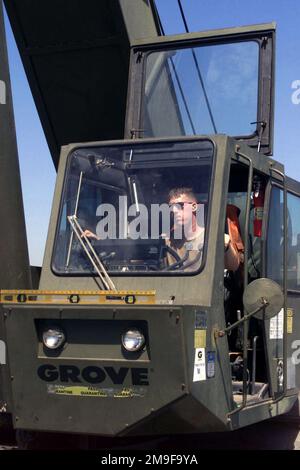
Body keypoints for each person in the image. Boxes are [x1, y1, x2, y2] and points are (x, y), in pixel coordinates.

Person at [166, 187, 240, 272]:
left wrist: (226, 246)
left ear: (194, 206)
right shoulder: (168, 241)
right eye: (171, 207)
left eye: (180, 205)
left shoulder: (214, 238)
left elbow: (234, 266)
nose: (174, 210)